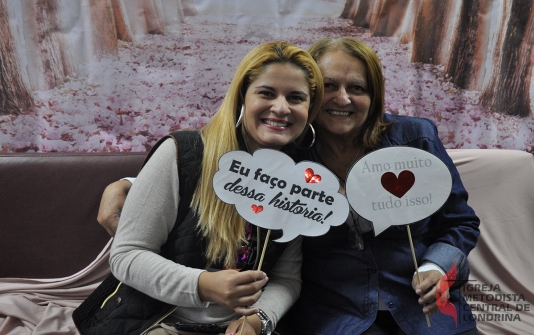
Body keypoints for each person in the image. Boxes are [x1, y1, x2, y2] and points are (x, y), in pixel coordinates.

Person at [97, 37, 480, 335]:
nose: (343, 98)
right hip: (339, 314)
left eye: (358, 88)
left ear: (374, 94)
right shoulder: (291, 154)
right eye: (329, 85)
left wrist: (438, 268)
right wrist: (131, 183)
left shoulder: (414, 139)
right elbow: (218, 161)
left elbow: (459, 223)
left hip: (426, 311)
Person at [72, 41, 324, 335]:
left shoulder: (298, 185)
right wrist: (203, 285)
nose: (281, 107)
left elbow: (286, 279)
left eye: (296, 98)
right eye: (266, 93)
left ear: (309, 110)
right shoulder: (181, 153)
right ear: (242, 97)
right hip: (156, 323)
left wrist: (259, 321)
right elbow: (127, 256)